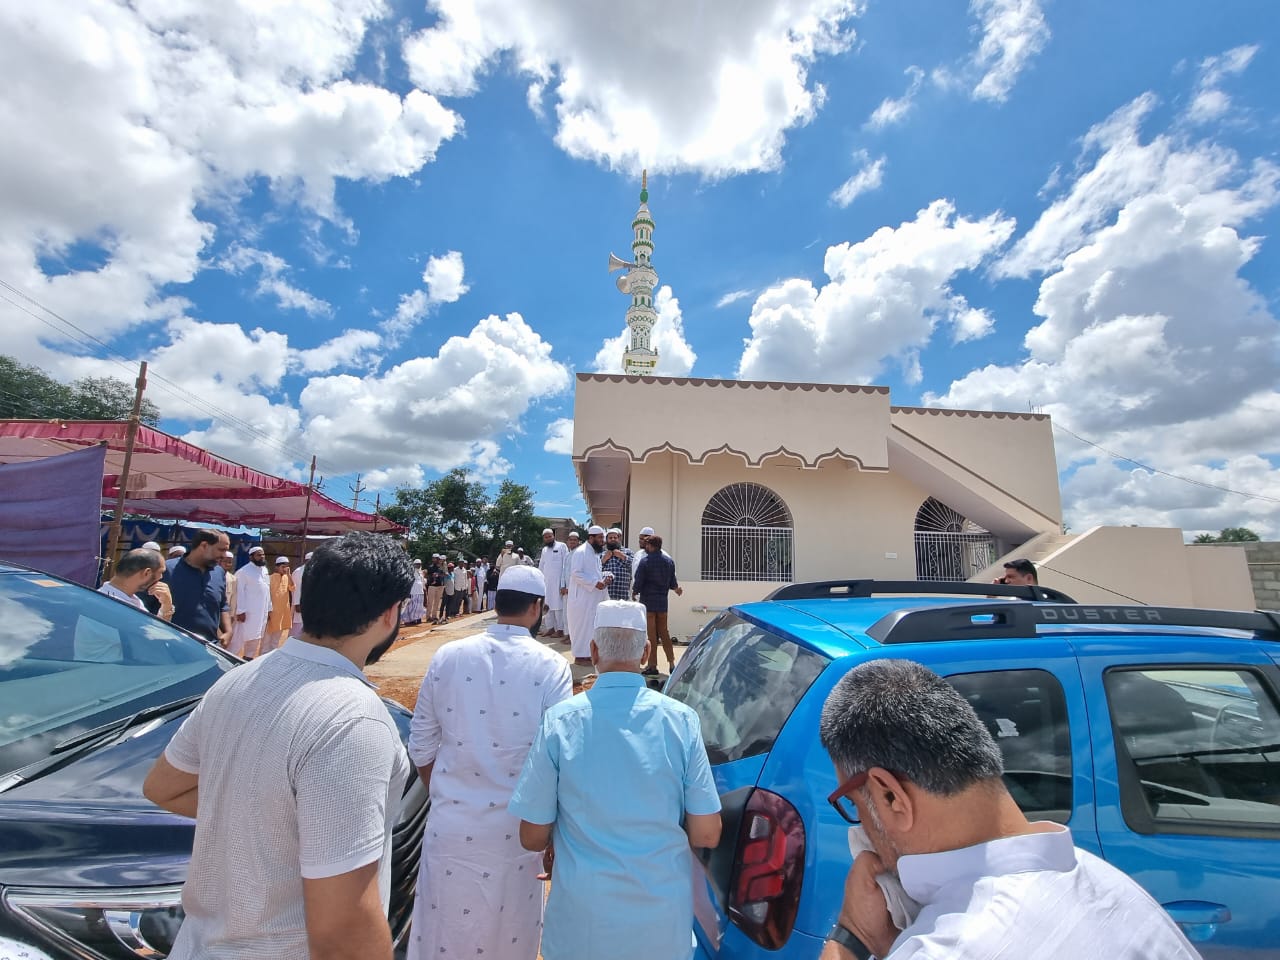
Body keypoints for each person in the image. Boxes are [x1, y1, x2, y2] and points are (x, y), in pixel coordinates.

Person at [143, 532, 416, 960]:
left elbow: (164, 787)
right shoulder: (354, 720)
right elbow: (344, 929)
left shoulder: (236, 680)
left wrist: (273, 820)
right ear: (390, 613)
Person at [816, 659, 1201, 960]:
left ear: (890, 796)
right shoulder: (1118, 891)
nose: (861, 826)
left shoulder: (944, 949)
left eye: (853, 802)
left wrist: (854, 934)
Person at [509, 600, 722, 960]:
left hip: (581, 929)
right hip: (661, 930)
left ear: (593, 651)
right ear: (646, 652)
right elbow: (706, 834)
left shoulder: (560, 721)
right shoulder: (681, 720)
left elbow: (531, 836)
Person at [407, 565, 573, 960]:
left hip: (450, 827)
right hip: (517, 834)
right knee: (507, 937)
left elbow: (422, 746)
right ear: (537, 607)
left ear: (498, 604)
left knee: (443, 934)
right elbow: (558, 759)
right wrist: (550, 831)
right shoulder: (551, 667)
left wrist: (448, 792)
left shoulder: (448, 656)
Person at [163, 528, 231, 644]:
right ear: (204, 545)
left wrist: (228, 631)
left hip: (208, 646)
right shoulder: (166, 570)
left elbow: (222, 605)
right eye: (221, 550)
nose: (224, 555)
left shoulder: (219, 572)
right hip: (170, 645)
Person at [632, 535, 682, 676]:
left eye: (647, 544)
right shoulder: (669, 561)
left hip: (648, 602)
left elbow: (639, 581)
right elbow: (673, 582)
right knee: (664, 633)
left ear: (651, 545)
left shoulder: (645, 561)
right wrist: (677, 589)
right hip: (662, 603)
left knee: (651, 636)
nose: (646, 547)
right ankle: (671, 663)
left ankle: (652, 666)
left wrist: (634, 592)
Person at [567, 526, 609, 666]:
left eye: (603, 537)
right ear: (591, 538)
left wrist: (605, 578)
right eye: (600, 537)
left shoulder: (595, 553)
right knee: (581, 628)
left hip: (593, 598)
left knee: (591, 627)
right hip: (581, 599)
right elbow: (576, 573)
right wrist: (595, 583)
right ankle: (580, 656)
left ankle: (589, 654)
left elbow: (594, 573)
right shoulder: (581, 552)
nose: (603, 540)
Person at [229, 546, 271, 657]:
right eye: (259, 555)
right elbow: (239, 592)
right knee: (238, 640)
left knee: (255, 639)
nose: (262, 557)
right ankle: (229, 660)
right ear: (251, 557)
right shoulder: (243, 571)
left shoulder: (264, 570)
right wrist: (240, 611)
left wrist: (269, 608)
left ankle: (248, 659)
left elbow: (267, 590)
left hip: (261, 613)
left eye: (263, 554)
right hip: (247, 614)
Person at [99, 548, 164, 610]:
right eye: (160, 572)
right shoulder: (114, 606)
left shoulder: (131, 599)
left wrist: (165, 606)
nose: (161, 577)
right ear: (147, 573)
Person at [537, 528, 570, 639]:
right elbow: (541, 565)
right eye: (546, 537)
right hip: (546, 582)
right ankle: (550, 628)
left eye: (550, 536)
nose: (548, 538)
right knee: (547, 606)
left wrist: (564, 583)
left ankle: (560, 629)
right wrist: (539, 579)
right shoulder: (544, 550)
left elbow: (566, 564)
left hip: (558, 582)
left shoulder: (562, 546)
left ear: (553, 536)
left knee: (558, 606)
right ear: (544, 538)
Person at [261, 557, 295, 654]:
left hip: (282, 615)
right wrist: (267, 612)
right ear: (276, 567)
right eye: (283, 567)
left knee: (276, 641)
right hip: (271, 614)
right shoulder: (269, 578)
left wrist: (289, 575)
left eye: (286, 567)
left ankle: (271, 659)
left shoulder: (287, 578)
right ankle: (262, 659)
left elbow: (292, 588)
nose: (285, 569)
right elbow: (266, 597)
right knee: (266, 641)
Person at [600, 528, 633, 601]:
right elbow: (596, 570)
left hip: (623, 594)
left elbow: (633, 566)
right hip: (606, 595)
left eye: (615, 537)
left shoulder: (628, 552)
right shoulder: (602, 554)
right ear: (606, 540)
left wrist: (622, 556)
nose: (613, 539)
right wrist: (604, 559)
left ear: (619, 539)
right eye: (610, 538)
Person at [290, 551, 313, 638]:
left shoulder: (312, 572)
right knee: (296, 634)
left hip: (309, 607)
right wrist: (298, 604)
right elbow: (296, 590)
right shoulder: (298, 572)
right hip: (299, 607)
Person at [218, 551, 238, 644]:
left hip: (225, 614)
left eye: (230, 562)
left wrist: (232, 614)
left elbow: (233, 597)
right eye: (225, 561)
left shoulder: (233, 578)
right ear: (219, 561)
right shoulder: (212, 576)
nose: (227, 564)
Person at [403, 559, 426, 625]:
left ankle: (417, 618)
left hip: (420, 592)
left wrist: (424, 589)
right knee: (411, 607)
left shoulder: (421, 572)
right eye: (417, 564)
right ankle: (410, 620)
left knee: (419, 607)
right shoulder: (411, 572)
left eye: (419, 564)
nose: (418, 565)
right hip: (413, 592)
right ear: (414, 565)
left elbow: (422, 582)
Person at [425, 556, 447, 624]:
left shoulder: (441, 567)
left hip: (440, 585)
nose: (437, 560)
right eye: (435, 558)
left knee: (437, 602)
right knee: (430, 602)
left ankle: (434, 616)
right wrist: (432, 575)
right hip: (432, 586)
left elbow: (445, 574)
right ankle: (428, 616)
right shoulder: (430, 567)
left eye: (437, 558)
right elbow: (427, 575)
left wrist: (439, 574)